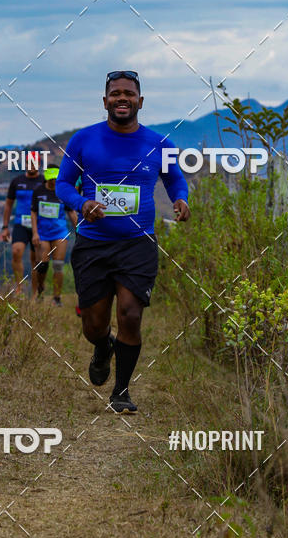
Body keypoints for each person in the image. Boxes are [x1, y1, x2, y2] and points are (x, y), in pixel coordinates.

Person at [56, 70, 190, 413]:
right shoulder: (83, 140)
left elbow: (176, 180)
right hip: (93, 244)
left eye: (128, 93)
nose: (122, 98)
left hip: (138, 243)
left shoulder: (161, 144)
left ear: (140, 102)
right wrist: (82, 203)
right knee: (93, 324)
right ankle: (103, 347)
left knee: (130, 315)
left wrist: (181, 200)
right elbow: (63, 185)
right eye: (115, 93)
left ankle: (121, 392)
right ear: (105, 101)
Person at [31, 166, 78, 306]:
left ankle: (57, 298)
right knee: (43, 264)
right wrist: (35, 233)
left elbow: (71, 212)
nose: (53, 182)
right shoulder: (39, 191)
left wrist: (79, 230)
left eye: (55, 179)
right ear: (47, 178)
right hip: (43, 233)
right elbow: (33, 212)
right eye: (51, 179)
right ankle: (40, 289)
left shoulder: (62, 192)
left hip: (60, 233)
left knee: (58, 265)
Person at [0, 153, 45, 294]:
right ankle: (19, 288)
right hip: (20, 223)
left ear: (39, 164)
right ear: (25, 164)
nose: (31, 165)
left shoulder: (44, 181)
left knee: (35, 260)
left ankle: (35, 293)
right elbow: (8, 205)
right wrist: (5, 227)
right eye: (29, 162)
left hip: (39, 225)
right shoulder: (16, 181)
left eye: (34, 162)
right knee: (16, 251)